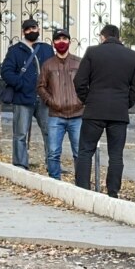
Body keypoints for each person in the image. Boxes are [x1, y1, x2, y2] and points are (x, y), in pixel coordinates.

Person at [73, 24, 135, 197]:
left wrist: (88, 100)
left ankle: (83, 190)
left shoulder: (92, 52)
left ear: (102, 37)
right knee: (116, 154)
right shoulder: (132, 56)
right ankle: (112, 192)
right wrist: (125, 103)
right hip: (119, 112)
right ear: (119, 38)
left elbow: (79, 82)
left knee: (85, 151)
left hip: (94, 110)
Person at [0, 18, 54, 170]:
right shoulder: (15, 50)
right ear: (23, 31)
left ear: (39, 28)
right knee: (20, 133)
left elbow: (53, 70)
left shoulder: (46, 49)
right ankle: (20, 163)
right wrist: (21, 85)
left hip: (44, 98)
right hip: (23, 98)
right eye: (28, 29)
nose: (31, 31)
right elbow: (6, 72)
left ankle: (52, 163)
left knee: (50, 132)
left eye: (34, 28)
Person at [37, 29, 83, 180]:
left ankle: (81, 183)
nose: (61, 42)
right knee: (53, 152)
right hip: (56, 116)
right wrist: (51, 101)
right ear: (53, 43)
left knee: (79, 152)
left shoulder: (79, 62)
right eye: (58, 39)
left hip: (77, 115)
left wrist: (82, 101)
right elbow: (41, 86)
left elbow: (88, 84)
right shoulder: (48, 65)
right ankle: (55, 182)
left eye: (64, 39)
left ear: (69, 41)